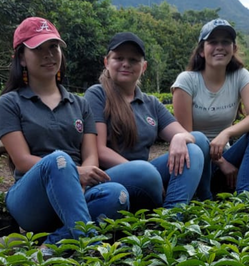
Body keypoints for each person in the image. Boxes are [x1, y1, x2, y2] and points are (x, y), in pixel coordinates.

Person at [0, 17, 129, 254]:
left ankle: (52, 245)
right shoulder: (9, 103)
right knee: (60, 160)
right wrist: (73, 171)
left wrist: (82, 177)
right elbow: (22, 161)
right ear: (22, 58)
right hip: (31, 199)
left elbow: (91, 156)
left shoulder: (80, 104)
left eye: (53, 47)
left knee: (118, 195)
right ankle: (92, 247)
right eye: (38, 49)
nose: (49, 55)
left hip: (76, 192)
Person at [84, 32, 208, 212]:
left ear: (144, 67)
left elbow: (187, 135)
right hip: (111, 177)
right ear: (106, 62)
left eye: (134, 60)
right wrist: (145, 173)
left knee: (196, 145)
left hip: (147, 175)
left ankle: (172, 218)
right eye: (119, 58)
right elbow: (99, 150)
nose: (126, 64)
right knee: (145, 172)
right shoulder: (97, 94)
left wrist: (180, 138)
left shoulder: (151, 103)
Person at [172, 19, 249, 199]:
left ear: (233, 49)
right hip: (197, 162)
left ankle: (244, 200)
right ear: (202, 50)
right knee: (199, 139)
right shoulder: (186, 81)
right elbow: (186, 135)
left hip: (226, 155)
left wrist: (226, 133)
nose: (220, 47)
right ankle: (204, 198)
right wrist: (221, 162)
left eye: (225, 42)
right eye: (213, 42)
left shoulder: (240, 76)